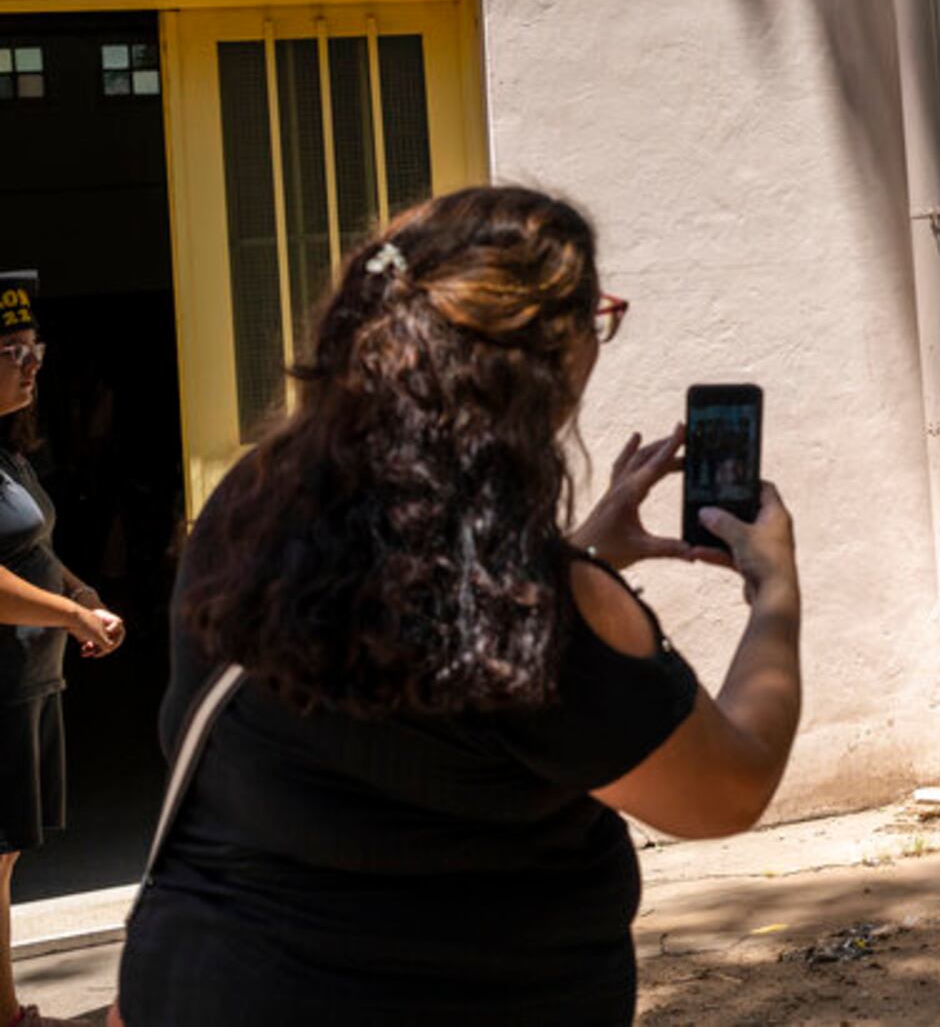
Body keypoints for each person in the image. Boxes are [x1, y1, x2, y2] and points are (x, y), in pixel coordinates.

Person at [115, 188, 803, 1026]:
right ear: (539, 361)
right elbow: (728, 789)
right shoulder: (531, 607)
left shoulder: (251, 506)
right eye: (596, 316)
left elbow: (410, 639)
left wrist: (582, 551)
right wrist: (774, 594)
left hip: (209, 983)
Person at [0, 271, 125, 1027]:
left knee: (4, 860)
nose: (32, 362)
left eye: (33, 346)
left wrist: (81, 597)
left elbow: (33, 554)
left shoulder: (8, 454)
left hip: (26, 681)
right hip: (2, 684)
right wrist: (72, 618)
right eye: (12, 349)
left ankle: (5, 1010)